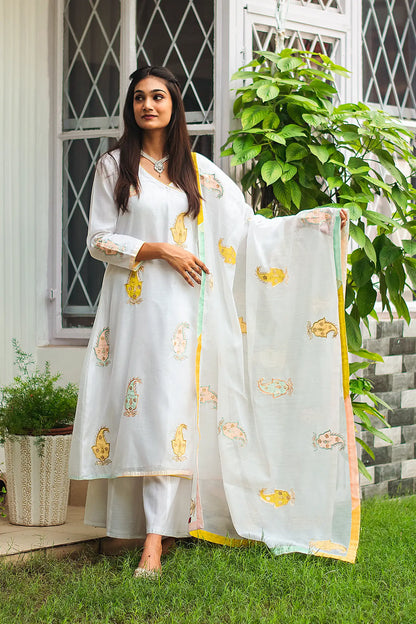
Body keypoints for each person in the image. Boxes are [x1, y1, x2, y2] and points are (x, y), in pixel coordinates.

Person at [69, 66, 359, 578]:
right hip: (134, 314)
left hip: (187, 318)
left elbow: (246, 229)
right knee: (136, 414)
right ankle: (131, 525)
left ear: (174, 105)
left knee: (167, 417)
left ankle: (155, 541)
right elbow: (97, 240)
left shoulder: (198, 170)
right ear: (130, 108)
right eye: (138, 98)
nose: (147, 105)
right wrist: (159, 249)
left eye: (158, 96)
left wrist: (306, 225)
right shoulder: (115, 166)